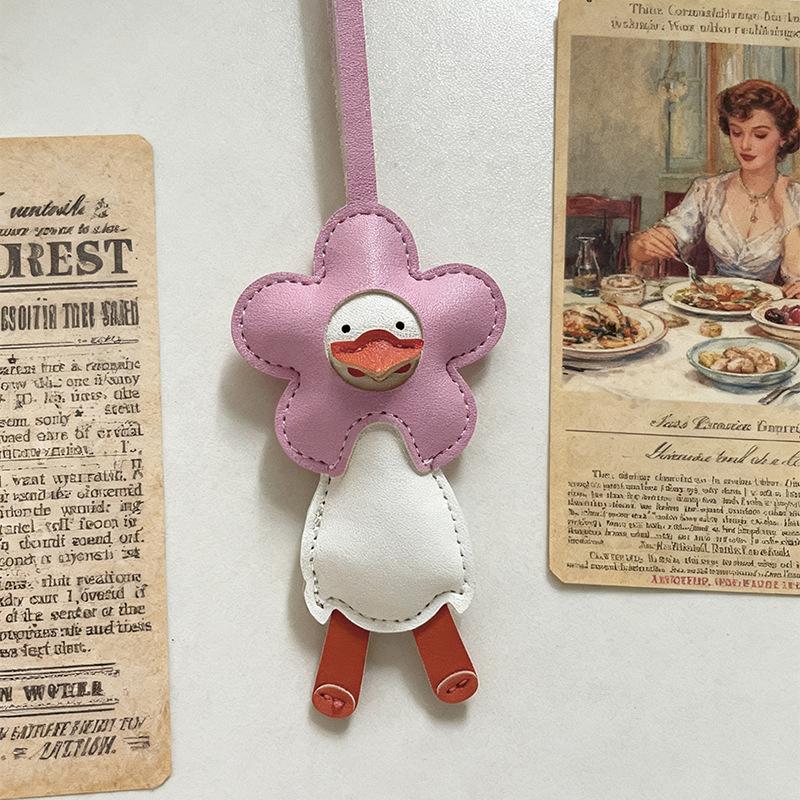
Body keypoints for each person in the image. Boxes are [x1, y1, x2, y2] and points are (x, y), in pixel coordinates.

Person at [629, 79, 800, 297]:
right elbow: (656, 242)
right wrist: (645, 243)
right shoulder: (708, 191)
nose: (745, 145)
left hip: (766, 311)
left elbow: (796, 277)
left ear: (784, 137)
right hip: (713, 304)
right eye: (736, 132)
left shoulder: (795, 196)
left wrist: (784, 205)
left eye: (759, 135)